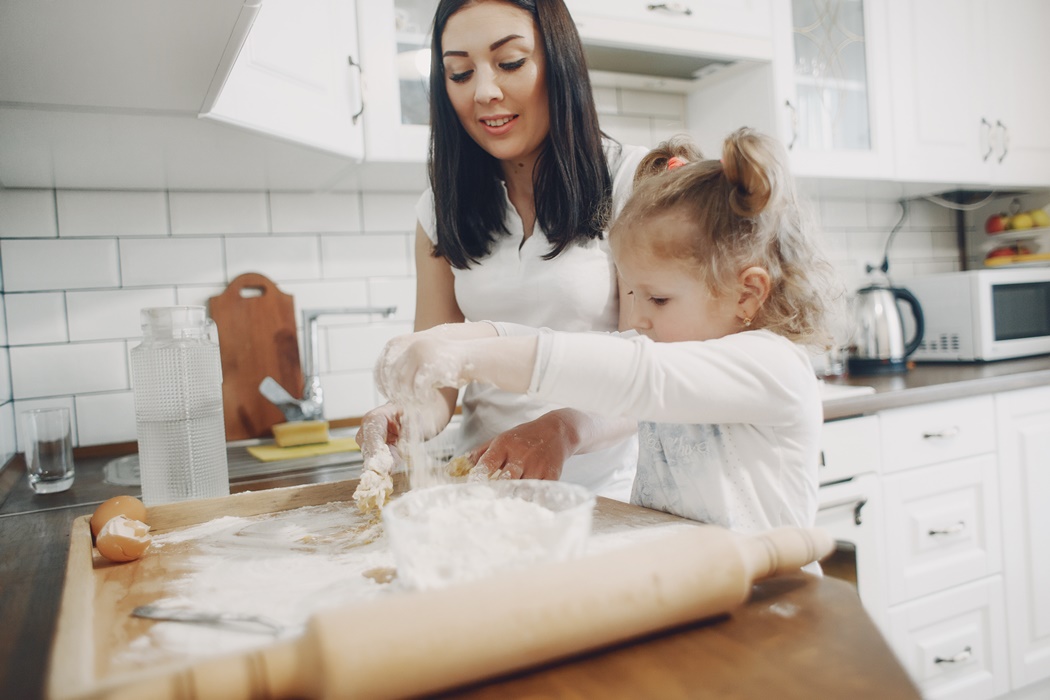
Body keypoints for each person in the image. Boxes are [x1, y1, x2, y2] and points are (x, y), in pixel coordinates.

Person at [375, 128, 848, 534]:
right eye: (632, 293)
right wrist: (459, 338)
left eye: (658, 299)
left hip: (769, 597)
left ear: (747, 294)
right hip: (697, 587)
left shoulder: (771, 367)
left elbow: (633, 373)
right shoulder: (673, 348)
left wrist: (469, 357)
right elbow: (601, 353)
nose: (637, 318)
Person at [353, 0, 648, 511]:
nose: (484, 92)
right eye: (460, 73)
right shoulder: (440, 209)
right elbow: (437, 380)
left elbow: (656, 370)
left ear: (558, 62)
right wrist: (404, 416)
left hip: (608, 499)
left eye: (509, 62)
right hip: (486, 496)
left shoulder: (630, 182)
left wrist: (562, 430)